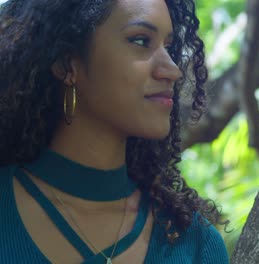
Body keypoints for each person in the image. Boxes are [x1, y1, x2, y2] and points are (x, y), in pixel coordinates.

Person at [0, 0, 229, 263]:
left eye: (168, 46)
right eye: (141, 41)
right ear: (66, 64)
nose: (173, 71)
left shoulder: (194, 244)